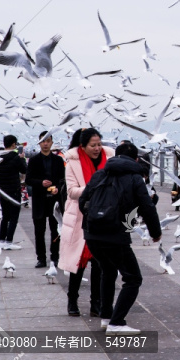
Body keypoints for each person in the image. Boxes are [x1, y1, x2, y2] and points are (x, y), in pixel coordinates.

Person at [79, 143, 161, 333]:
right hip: (115, 235)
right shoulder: (135, 178)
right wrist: (155, 232)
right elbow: (147, 207)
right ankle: (116, 322)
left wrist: (95, 221)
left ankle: (106, 317)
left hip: (92, 234)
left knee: (107, 271)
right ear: (135, 159)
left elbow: (83, 201)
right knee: (133, 278)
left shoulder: (100, 174)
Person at [59, 128, 113, 317]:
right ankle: (72, 300)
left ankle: (96, 303)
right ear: (82, 146)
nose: (97, 148)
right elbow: (72, 191)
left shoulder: (110, 159)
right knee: (78, 262)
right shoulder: (72, 162)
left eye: (99, 144)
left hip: (103, 216)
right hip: (80, 216)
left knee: (100, 263)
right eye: (93, 145)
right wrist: (95, 187)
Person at [27, 132, 65, 268]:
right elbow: (28, 180)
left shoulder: (58, 160)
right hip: (39, 200)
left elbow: (63, 179)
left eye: (48, 141)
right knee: (39, 231)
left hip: (54, 200)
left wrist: (57, 188)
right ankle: (41, 258)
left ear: (52, 142)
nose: (45, 143)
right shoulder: (34, 160)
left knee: (55, 230)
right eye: (43, 141)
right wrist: (40, 183)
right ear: (39, 143)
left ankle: (55, 256)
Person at [0, 135, 26, 245]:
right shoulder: (16, 156)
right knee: (13, 217)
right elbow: (24, 170)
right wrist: (22, 158)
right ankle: (9, 241)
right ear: (13, 144)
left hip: (3, 190)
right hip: (14, 189)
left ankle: (1, 239)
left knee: (5, 216)